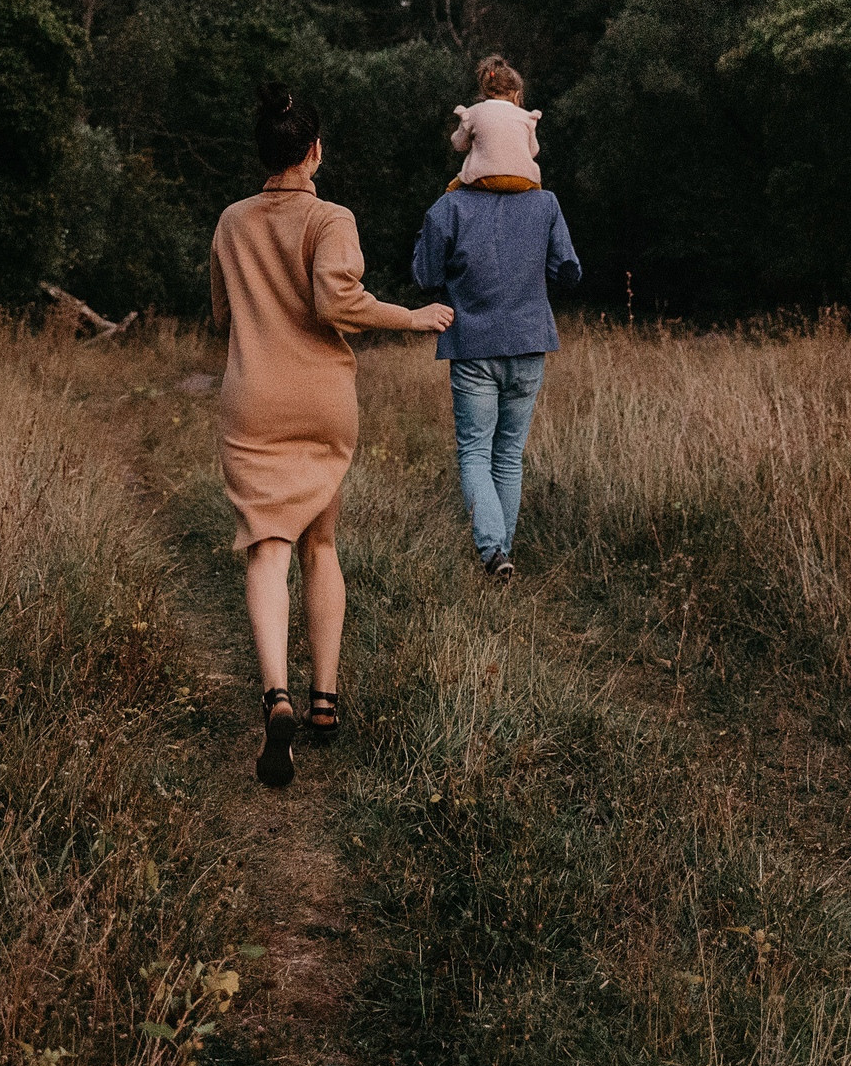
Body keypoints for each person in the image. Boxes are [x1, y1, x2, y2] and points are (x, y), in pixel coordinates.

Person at [210, 84, 455, 787]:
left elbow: (222, 315)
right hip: (321, 402)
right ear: (314, 151)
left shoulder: (231, 222)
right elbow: (336, 300)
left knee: (267, 547)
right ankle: (325, 701)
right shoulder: (331, 218)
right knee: (321, 543)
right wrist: (412, 317)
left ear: (264, 153)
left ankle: (276, 696)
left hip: (255, 401)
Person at [410, 120, 582, 579]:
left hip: (472, 346)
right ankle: (501, 552)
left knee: (475, 452)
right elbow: (568, 270)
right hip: (528, 343)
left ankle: (493, 552)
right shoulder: (546, 204)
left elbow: (426, 276)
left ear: (473, 147)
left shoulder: (449, 206)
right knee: (508, 454)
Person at [447, 54, 542, 191]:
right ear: (516, 95)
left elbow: (459, 145)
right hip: (522, 180)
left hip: (483, 178)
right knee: (539, 189)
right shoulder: (527, 117)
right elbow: (533, 151)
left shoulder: (473, 112)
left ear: (485, 92)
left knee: (451, 190)